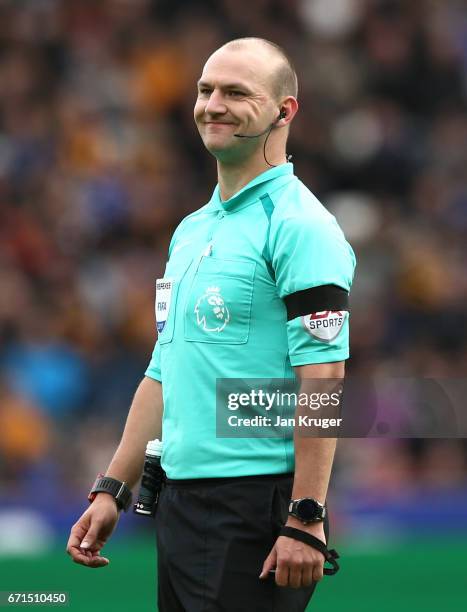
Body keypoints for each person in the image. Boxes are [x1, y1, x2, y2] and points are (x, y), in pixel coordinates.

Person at [66, 37, 356, 611]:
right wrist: (112, 488)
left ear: (284, 110)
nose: (212, 104)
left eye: (235, 92)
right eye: (205, 90)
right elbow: (164, 369)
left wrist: (306, 515)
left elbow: (323, 376)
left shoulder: (302, 226)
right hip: (179, 505)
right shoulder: (191, 230)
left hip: (252, 509)